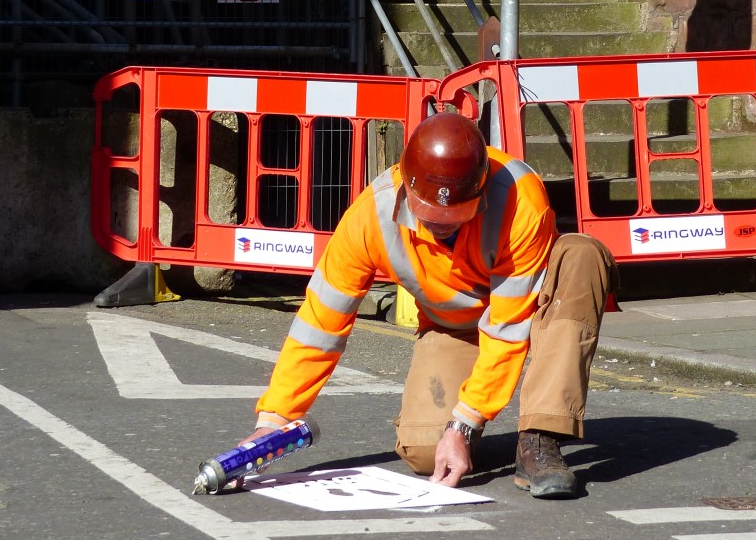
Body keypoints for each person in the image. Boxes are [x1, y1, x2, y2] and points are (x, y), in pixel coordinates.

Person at [244, 112, 617, 499]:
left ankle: (540, 437)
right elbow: (318, 325)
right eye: (429, 214)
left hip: (532, 312)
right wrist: (275, 420)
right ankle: (463, 435)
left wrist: (464, 424)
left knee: (581, 256)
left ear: (481, 192)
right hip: (455, 325)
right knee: (424, 452)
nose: (442, 225)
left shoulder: (520, 197)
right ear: (405, 186)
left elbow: (509, 327)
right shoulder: (370, 216)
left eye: (455, 216)